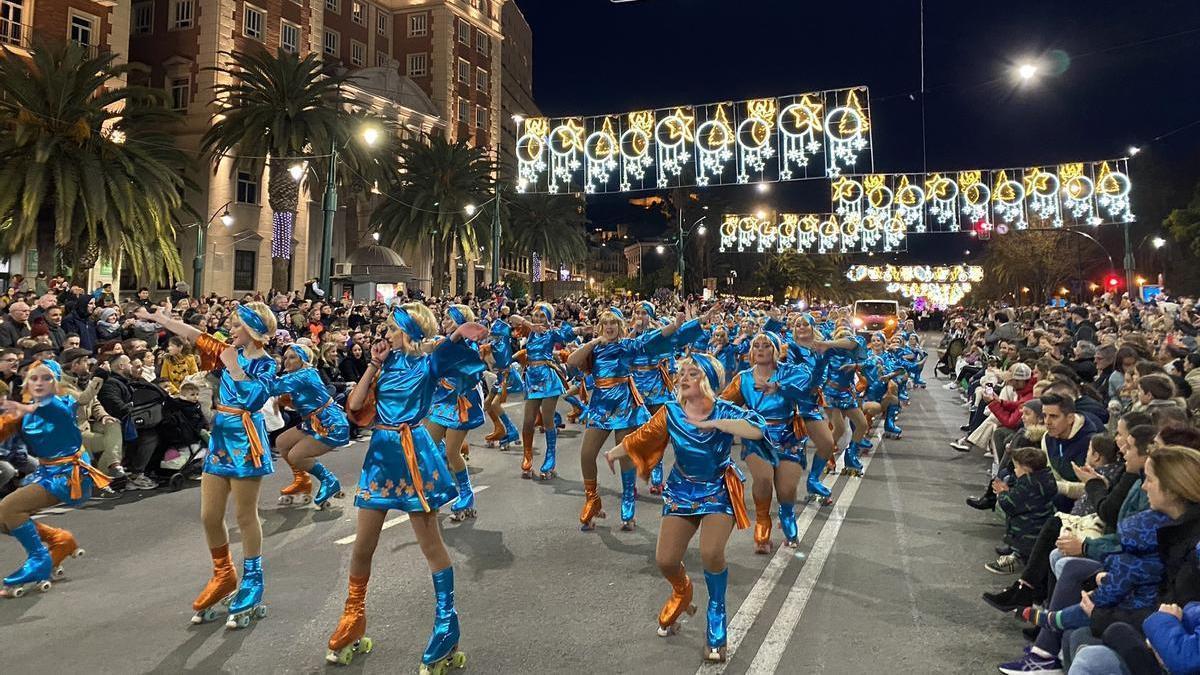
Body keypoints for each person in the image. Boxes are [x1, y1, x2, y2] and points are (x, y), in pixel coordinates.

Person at [326, 303, 486, 669]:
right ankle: (353, 616)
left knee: (431, 544)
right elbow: (353, 404)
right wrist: (373, 364)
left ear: (410, 332)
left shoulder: (427, 363)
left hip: (415, 457)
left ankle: (447, 623)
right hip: (381, 458)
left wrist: (457, 335)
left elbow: (449, 353)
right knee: (363, 546)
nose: (386, 335)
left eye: (393, 330)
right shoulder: (385, 364)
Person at [604, 353, 765, 663]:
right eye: (682, 373)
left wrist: (716, 422)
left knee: (710, 553)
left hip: (718, 489)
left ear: (706, 378)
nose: (684, 377)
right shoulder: (672, 413)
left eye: (692, 373)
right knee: (665, 560)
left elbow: (757, 430)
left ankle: (716, 616)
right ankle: (683, 591)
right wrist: (614, 452)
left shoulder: (725, 410)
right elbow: (643, 436)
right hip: (681, 490)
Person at [137, 302, 278, 629]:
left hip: (246, 440)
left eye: (237, 325)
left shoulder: (267, 365)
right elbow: (195, 334)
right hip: (221, 437)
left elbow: (255, 399)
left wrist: (235, 367)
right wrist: (163, 320)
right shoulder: (228, 350)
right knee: (209, 515)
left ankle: (253, 581)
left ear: (255, 331)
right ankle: (224, 574)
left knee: (245, 516)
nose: (231, 329)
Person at [566, 305, 687, 531]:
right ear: (600, 327)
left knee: (625, 457)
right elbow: (572, 361)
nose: (610, 327)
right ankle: (592, 500)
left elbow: (652, 339)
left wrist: (675, 325)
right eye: (605, 323)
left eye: (614, 323)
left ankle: (628, 503)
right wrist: (593, 342)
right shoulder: (594, 349)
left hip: (624, 406)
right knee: (587, 454)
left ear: (620, 327)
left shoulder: (627, 346)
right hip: (601, 408)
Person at [0, 360, 110, 597]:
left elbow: (49, 404)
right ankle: (60, 541)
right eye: (34, 377)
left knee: (9, 508)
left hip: (67, 474)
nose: (39, 382)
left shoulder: (58, 404)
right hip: (45, 471)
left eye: (46, 378)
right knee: (3, 519)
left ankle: (40, 559)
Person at [424, 304, 486, 522]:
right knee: (428, 447)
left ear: (463, 323)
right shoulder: (443, 341)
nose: (445, 322)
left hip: (461, 403)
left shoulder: (469, 347)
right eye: (444, 318)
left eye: (450, 319)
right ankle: (438, 490)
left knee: (452, 453)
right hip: (441, 399)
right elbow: (428, 351)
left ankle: (467, 494)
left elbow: (469, 372)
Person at [270, 344, 349, 510]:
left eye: (292, 357)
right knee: (282, 442)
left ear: (304, 360)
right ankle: (302, 480)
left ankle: (329, 480)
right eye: (285, 358)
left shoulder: (305, 374)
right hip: (312, 422)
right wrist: (288, 402)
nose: (286, 362)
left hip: (330, 423)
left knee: (296, 456)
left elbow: (273, 386)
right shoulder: (297, 376)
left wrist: (261, 368)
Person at [989, 447, 1058, 575]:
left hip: (1028, 525)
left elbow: (1009, 504)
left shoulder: (1028, 485)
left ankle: (1018, 560)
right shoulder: (1045, 478)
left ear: (1026, 470)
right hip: (1041, 519)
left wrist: (1002, 493)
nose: (1015, 471)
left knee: (1025, 547)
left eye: (1016, 467)